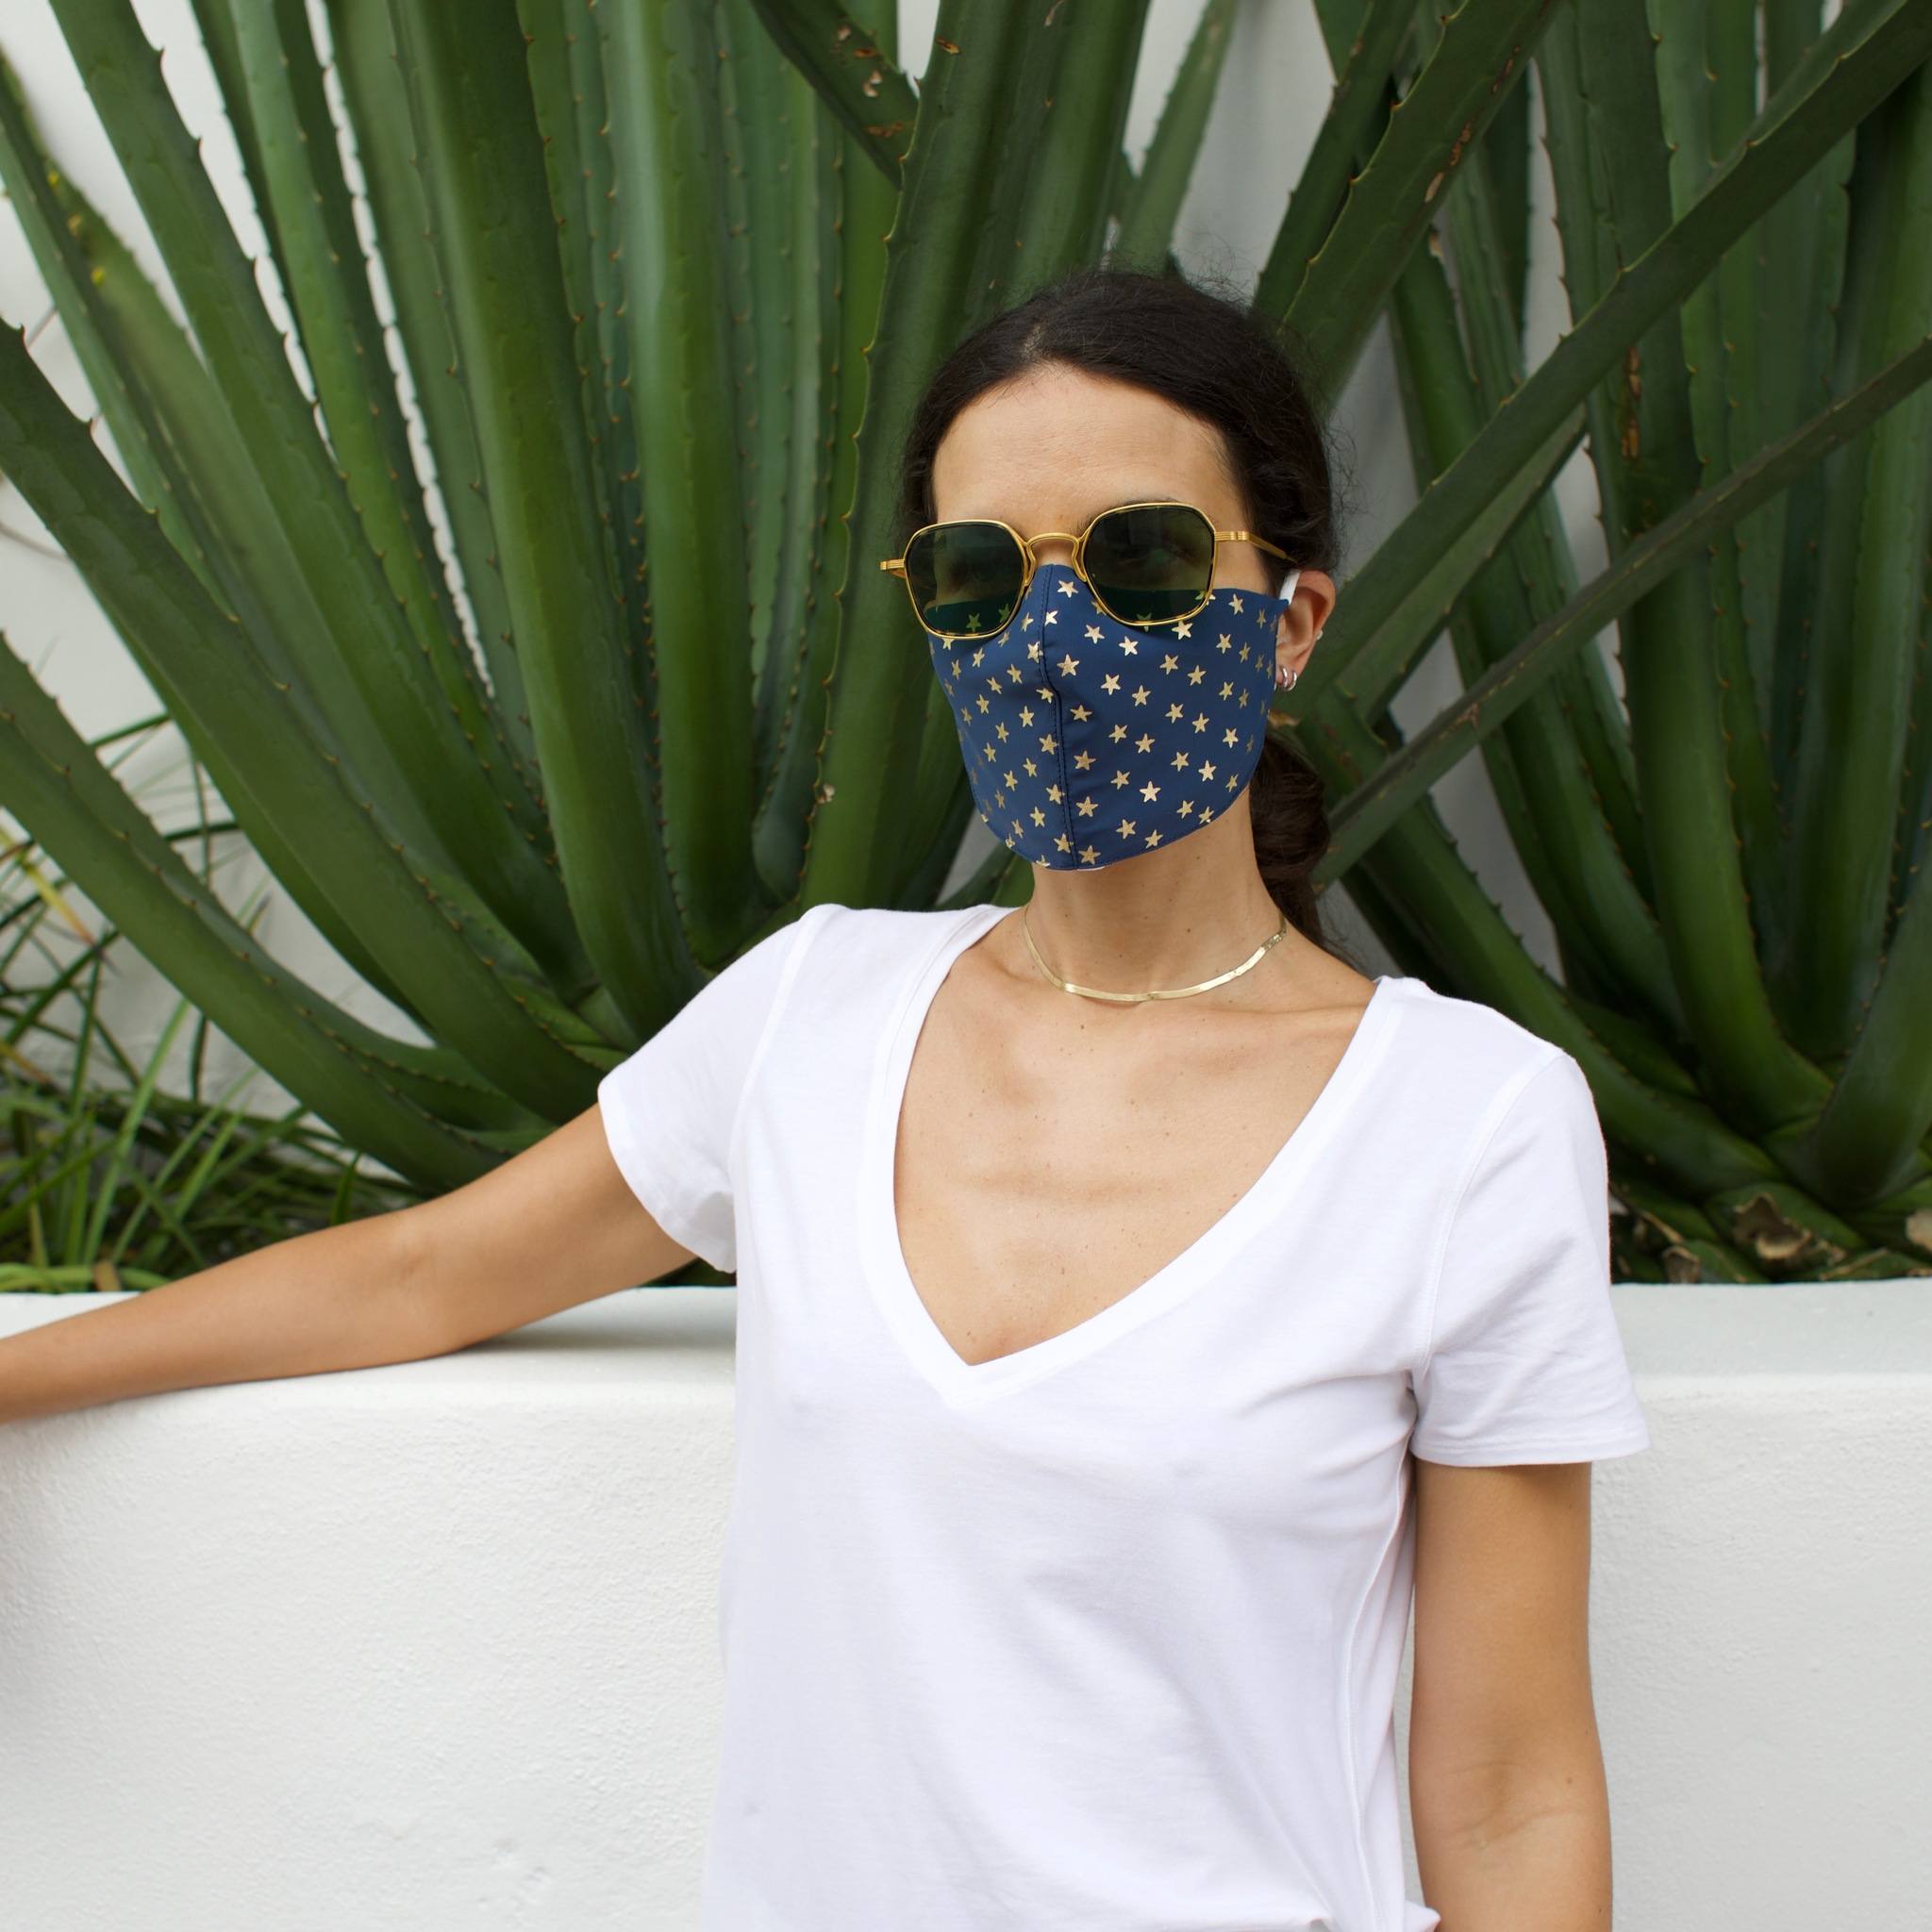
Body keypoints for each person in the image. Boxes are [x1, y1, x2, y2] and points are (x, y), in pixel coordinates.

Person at [0, 262, 1650, 1930]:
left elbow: (1510, 1793)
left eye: (1140, 561)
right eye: (977, 575)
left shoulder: (1466, 1123)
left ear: (1290, 619)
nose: (1050, 638)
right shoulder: (817, 1016)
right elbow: (425, 1273)